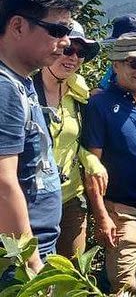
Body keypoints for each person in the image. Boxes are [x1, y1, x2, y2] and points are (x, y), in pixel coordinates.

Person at [83, 33, 136, 296]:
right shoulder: (100, 104)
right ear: (116, 64)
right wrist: (101, 216)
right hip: (123, 210)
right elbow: (92, 165)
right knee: (125, 286)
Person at [0, 0, 76, 272]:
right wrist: (31, 263)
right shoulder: (5, 88)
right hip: (17, 262)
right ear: (18, 26)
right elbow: (3, 182)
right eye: (57, 30)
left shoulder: (21, 82)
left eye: (67, 31)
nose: (66, 41)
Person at [32, 20, 108, 259]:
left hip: (70, 198)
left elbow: (75, 141)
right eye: (68, 50)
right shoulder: (27, 93)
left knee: (73, 271)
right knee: (33, 273)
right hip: (34, 199)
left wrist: (91, 161)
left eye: (80, 53)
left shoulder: (78, 97)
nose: (73, 57)